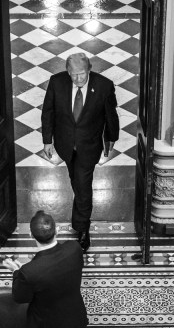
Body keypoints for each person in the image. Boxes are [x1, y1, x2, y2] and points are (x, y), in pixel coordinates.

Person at [40, 52, 119, 251]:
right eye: (73, 75)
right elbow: (48, 112)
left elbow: (111, 117)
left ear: (89, 70)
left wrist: (111, 140)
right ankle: (80, 219)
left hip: (89, 146)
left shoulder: (103, 86)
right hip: (66, 145)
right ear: (68, 72)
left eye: (82, 74)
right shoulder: (57, 82)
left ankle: (82, 228)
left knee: (83, 185)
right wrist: (47, 141)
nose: (78, 79)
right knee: (76, 181)